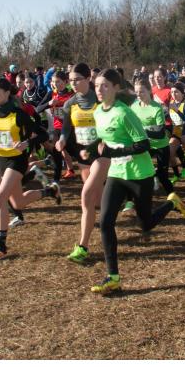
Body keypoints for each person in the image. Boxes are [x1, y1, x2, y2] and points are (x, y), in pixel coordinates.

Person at [81, 69, 185, 294]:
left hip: (140, 174)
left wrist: (114, 152)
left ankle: (171, 202)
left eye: (105, 86)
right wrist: (90, 149)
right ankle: (113, 278)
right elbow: (104, 137)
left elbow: (143, 145)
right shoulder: (98, 111)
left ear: (116, 88)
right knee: (106, 222)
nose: (99, 90)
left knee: (145, 224)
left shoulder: (125, 113)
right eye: (97, 85)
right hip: (117, 173)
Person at [0, 78, 61, 262]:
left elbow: (43, 134)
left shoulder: (18, 114)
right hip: (3, 160)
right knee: (18, 203)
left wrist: (27, 143)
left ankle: (1, 246)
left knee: (0, 199)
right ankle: (50, 191)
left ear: (7, 93)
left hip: (18, 160)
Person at [56, 63, 111, 264]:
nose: (73, 83)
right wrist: (62, 139)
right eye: (71, 80)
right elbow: (66, 127)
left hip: (102, 155)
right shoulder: (69, 104)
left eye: (77, 79)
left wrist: (104, 140)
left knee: (86, 196)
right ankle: (111, 218)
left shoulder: (100, 100)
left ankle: (83, 246)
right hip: (83, 155)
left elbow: (111, 123)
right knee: (97, 200)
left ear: (88, 79)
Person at [132, 78, 182, 205]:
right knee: (139, 172)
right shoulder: (134, 107)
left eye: (141, 92)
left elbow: (160, 133)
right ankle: (135, 200)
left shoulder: (157, 108)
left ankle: (174, 200)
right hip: (145, 145)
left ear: (149, 91)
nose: (138, 94)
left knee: (163, 176)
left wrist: (143, 131)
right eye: (136, 92)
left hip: (160, 145)